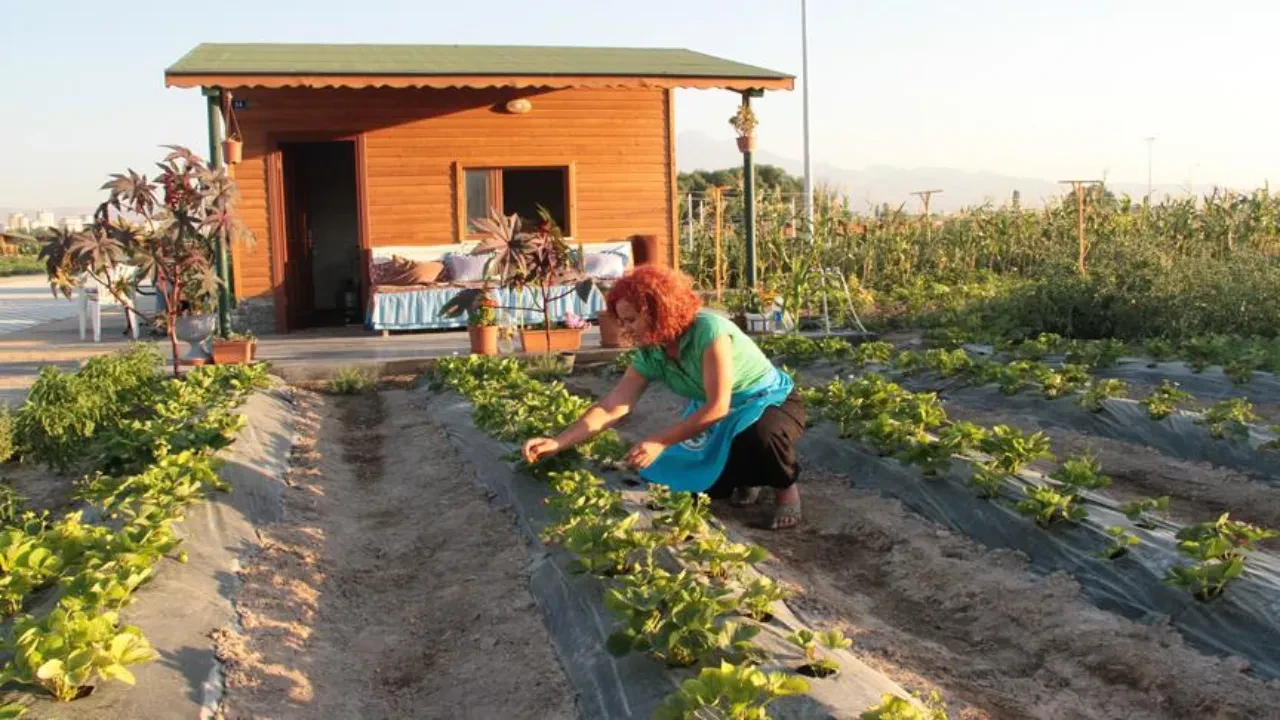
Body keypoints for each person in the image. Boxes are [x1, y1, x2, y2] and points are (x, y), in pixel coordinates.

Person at [521, 265, 806, 530]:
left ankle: (785, 491)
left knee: (762, 436)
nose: (626, 328)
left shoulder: (709, 331)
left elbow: (718, 406)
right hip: (716, 412)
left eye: (632, 319)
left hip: (767, 401)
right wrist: (559, 442)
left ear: (659, 310)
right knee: (688, 480)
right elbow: (611, 407)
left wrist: (660, 440)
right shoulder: (652, 351)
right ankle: (746, 478)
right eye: (622, 321)